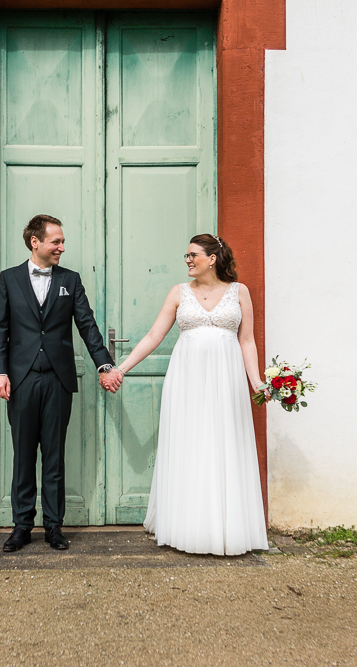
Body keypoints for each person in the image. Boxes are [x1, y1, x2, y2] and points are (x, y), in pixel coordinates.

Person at [113, 234, 270, 555]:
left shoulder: (239, 292)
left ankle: (227, 527)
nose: (187, 260)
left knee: (225, 443)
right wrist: (121, 369)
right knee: (191, 443)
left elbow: (247, 341)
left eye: (193, 254)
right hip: (187, 381)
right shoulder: (178, 293)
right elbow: (154, 335)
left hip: (226, 380)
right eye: (186, 255)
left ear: (212, 258)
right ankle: (186, 525)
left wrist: (256, 381)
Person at [0, 214, 123, 552]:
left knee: (54, 456)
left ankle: (53, 526)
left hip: (58, 380)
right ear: (36, 242)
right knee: (23, 456)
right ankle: (21, 527)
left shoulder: (71, 280)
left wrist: (104, 364)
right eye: (56, 241)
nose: (62, 247)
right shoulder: (9, 279)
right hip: (20, 380)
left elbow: (87, 326)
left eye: (62, 242)